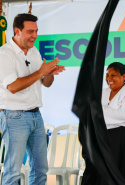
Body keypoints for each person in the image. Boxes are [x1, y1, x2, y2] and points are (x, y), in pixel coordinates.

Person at [0, 13, 65, 185]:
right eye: (30, 31)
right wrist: (40, 72)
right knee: (13, 171)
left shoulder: (34, 51)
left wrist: (49, 73)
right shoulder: (5, 54)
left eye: (36, 31)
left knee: (41, 169)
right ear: (17, 31)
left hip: (36, 116)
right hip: (14, 117)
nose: (35, 36)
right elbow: (13, 86)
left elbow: (45, 83)